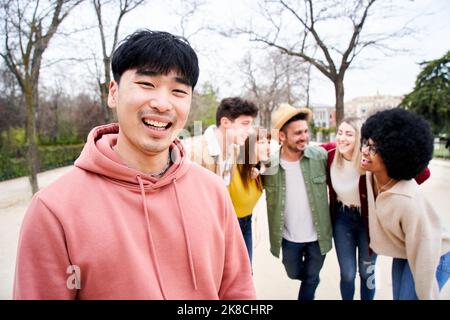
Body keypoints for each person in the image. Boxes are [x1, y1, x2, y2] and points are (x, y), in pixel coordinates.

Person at [13, 30, 255, 300]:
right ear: (113, 93)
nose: (162, 104)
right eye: (146, 84)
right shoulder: (53, 210)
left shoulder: (212, 191)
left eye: (178, 90)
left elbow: (238, 290)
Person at [321, 118, 430, 300]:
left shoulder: (371, 158)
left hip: (369, 222)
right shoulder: (332, 154)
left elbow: (423, 173)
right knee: (347, 274)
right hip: (343, 219)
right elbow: (306, 151)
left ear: (360, 139)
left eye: (349, 134)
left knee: (367, 271)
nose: (342, 138)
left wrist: (392, 190)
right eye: (340, 132)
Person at [360, 108, 450, 300]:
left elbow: (425, 259)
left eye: (373, 148)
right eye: (365, 143)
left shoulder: (406, 200)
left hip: (434, 254)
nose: (364, 151)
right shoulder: (370, 175)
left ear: (393, 154)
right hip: (406, 249)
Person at [262, 103, 332, 300]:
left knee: (310, 278)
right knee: (293, 273)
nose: (304, 137)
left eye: (305, 131)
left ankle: (311, 280)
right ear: (282, 136)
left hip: (317, 237)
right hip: (289, 238)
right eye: (298, 133)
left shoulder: (320, 157)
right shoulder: (270, 165)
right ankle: (311, 279)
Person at [185, 97, 258, 185]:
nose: (251, 131)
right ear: (225, 122)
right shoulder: (191, 152)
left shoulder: (235, 150)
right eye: (245, 124)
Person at [228, 127, 271, 263]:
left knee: (247, 271)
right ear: (249, 145)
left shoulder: (260, 170)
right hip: (229, 227)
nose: (268, 146)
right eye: (262, 142)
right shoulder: (234, 166)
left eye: (269, 142)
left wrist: (260, 168)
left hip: (246, 223)